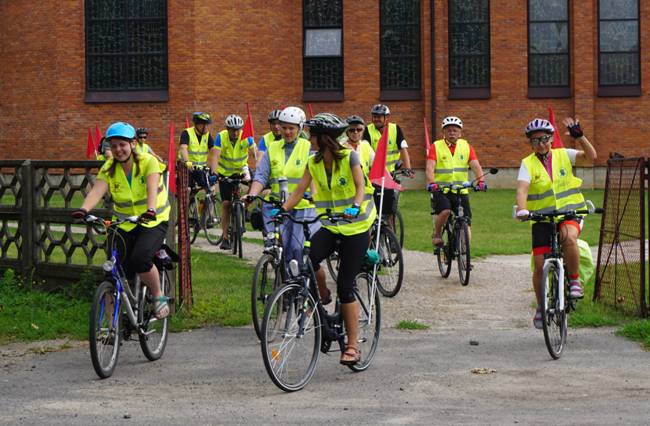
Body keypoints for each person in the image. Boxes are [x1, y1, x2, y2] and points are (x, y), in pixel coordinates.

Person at [279, 112, 376, 366]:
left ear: (323, 138)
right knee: (306, 261)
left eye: (311, 134)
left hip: (356, 228)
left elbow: (360, 188)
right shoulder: (314, 162)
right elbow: (299, 191)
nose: (307, 138)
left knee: (345, 285)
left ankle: (353, 346)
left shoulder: (350, 157)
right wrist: (282, 211)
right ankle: (322, 293)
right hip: (332, 226)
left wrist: (355, 206)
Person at [72, 122, 171, 319]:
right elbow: (97, 191)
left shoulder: (148, 162)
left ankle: (158, 296)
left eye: (122, 144)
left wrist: (150, 210)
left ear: (133, 144)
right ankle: (109, 327)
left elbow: (152, 188)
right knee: (112, 270)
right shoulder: (109, 168)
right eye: (114, 145)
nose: (118, 150)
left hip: (153, 220)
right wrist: (83, 209)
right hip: (124, 223)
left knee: (140, 260)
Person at [515, 117, 596, 329]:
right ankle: (541, 306)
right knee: (540, 265)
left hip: (570, 211)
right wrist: (523, 209)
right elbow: (522, 189)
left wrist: (580, 137)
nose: (541, 143)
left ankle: (574, 279)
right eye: (535, 140)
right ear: (530, 143)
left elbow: (591, 157)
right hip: (542, 217)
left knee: (569, 238)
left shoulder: (564, 155)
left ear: (551, 138)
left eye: (544, 138)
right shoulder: (527, 163)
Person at [245, 106, 319, 263]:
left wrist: (314, 194)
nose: (287, 132)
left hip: (302, 206)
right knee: (280, 246)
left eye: (291, 128)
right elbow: (261, 176)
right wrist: (252, 193)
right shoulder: (273, 148)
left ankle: (300, 282)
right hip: (277, 204)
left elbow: (314, 175)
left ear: (300, 128)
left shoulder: (308, 148)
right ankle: (285, 284)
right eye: (284, 127)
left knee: (297, 248)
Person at [426, 116, 486, 246]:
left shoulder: (466, 146)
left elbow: (476, 165)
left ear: (460, 133)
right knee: (445, 211)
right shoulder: (436, 146)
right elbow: (430, 167)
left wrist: (481, 181)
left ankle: (465, 255)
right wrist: (432, 183)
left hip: (461, 190)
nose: (452, 133)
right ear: (444, 132)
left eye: (455, 130)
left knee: (466, 221)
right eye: (448, 130)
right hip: (441, 190)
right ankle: (436, 234)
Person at [363, 104, 412, 229]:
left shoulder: (395, 129)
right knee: (374, 205)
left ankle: (391, 233)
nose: (376, 119)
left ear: (387, 118)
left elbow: (403, 148)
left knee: (390, 208)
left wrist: (408, 167)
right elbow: (365, 150)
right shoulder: (367, 130)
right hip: (375, 176)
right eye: (374, 116)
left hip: (391, 175)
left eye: (379, 117)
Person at [214, 114, 257, 250]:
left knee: (254, 182)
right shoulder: (221, 137)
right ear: (227, 129)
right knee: (226, 204)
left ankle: (245, 207)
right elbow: (214, 156)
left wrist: (259, 166)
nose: (236, 132)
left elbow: (256, 153)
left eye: (238, 129)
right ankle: (225, 237)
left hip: (241, 170)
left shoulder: (246, 137)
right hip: (225, 173)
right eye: (232, 129)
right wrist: (214, 172)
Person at [178, 112, 217, 189]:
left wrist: (214, 169)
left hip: (201, 168)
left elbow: (213, 152)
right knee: (187, 189)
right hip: (187, 167)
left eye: (207, 125)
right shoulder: (187, 133)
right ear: (197, 124)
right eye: (204, 124)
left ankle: (209, 200)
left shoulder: (207, 135)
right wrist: (187, 162)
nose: (206, 127)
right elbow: (183, 148)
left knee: (211, 187)